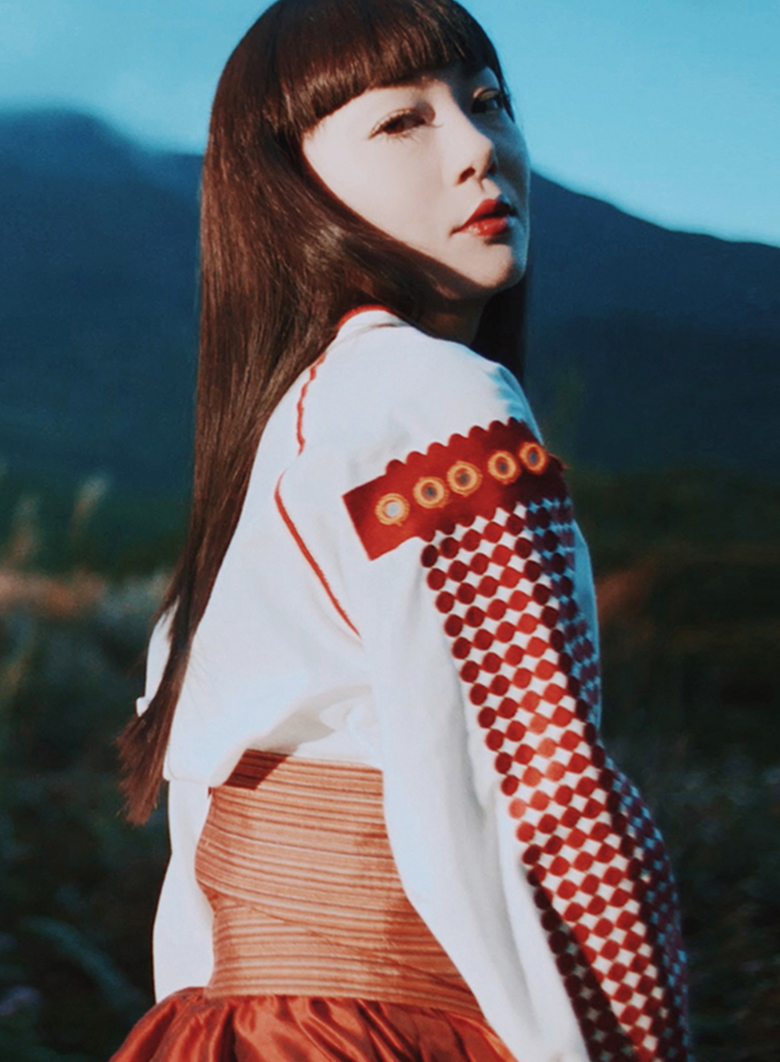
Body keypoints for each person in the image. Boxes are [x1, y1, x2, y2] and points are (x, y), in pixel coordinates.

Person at [112, 2, 691, 1061]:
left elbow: (198, 882)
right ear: (287, 183)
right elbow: (540, 803)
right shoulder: (438, 402)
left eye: (488, 103)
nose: (478, 149)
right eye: (401, 121)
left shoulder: (292, 430)